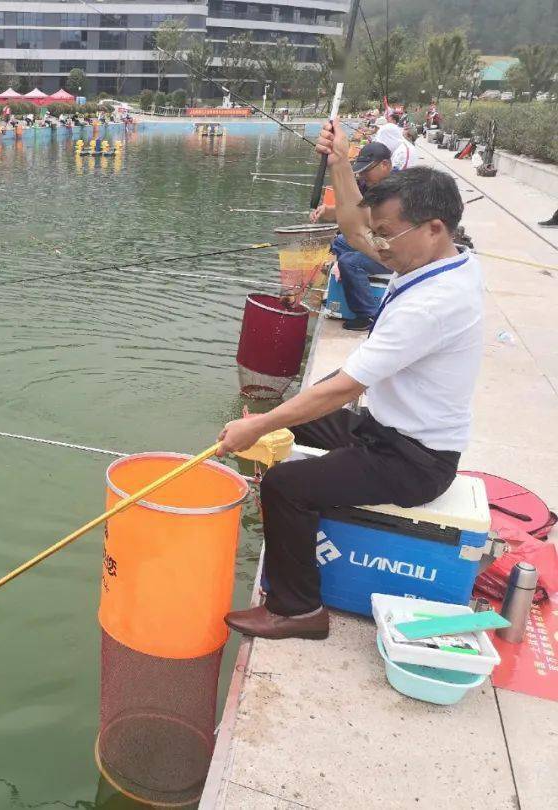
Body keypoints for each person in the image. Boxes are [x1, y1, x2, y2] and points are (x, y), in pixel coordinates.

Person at [220, 120, 483, 642]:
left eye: (389, 233)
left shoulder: (434, 304)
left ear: (434, 227)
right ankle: (284, 520)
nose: (378, 244)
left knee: (285, 485)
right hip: (385, 431)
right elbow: (353, 227)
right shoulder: (435, 262)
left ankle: (298, 611)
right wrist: (341, 162)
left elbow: (344, 385)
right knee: (295, 428)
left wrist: (259, 427)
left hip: (413, 461)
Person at [311, 141, 399, 330]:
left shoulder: (397, 190)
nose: (363, 175)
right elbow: (355, 209)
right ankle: (350, 282)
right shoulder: (369, 184)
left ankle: (368, 314)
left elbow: (365, 218)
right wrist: (326, 211)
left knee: (350, 262)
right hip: (375, 243)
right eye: (361, 170)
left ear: (385, 165)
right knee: (341, 242)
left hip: (395, 253)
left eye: (368, 170)